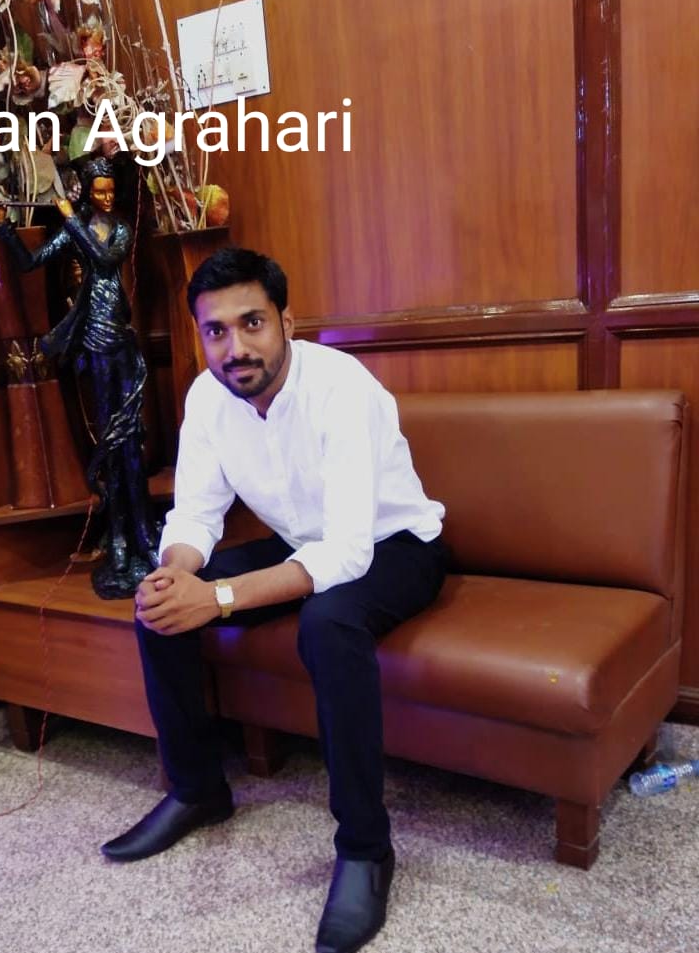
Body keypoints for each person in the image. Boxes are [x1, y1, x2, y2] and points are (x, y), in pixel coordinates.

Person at [101, 247, 447, 953]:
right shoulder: (208, 398)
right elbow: (196, 514)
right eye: (216, 331)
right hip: (300, 544)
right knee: (160, 608)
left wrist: (219, 596)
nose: (235, 347)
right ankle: (197, 789)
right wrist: (177, 577)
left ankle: (365, 849)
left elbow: (346, 553)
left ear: (287, 321)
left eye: (252, 322)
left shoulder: (341, 388)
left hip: (396, 546)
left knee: (328, 623)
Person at [0, 158, 159, 597]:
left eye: (110, 190)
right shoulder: (78, 228)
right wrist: (4, 228)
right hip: (93, 345)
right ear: (86, 190)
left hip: (120, 342)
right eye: (99, 191)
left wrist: (70, 219)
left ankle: (143, 534)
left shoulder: (118, 229)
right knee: (110, 442)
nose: (107, 197)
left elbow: (103, 261)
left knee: (130, 440)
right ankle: (118, 540)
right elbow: (30, 263)